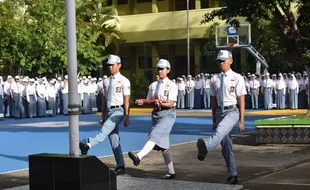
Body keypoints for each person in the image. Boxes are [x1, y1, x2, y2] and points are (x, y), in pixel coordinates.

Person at [196, 50, 246, 185]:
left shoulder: (237, 77)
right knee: (226, 146)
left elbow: (241, 99)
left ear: (231, 61)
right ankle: (233, 175)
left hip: (232, 111)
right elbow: (213, 100)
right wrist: (213, 119)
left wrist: (241, 120)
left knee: (220, 132)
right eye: (219, 61)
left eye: (223, 61)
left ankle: (206, 147)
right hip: (219, 112)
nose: (221, 63)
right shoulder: (214, 79)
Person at [79, 55, 130, 175]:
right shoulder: (105, 82)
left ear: (119, 65)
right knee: (114, 140)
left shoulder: (124, 80)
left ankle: (88, 144)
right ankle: (121, 165)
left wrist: (127, 116)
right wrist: (102, 115)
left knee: (104, 130)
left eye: (113, 64)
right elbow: (105, 100)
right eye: (109, 65)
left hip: (118, 111)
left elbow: (126, 99)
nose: (110, 67)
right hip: (109, 111)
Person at [128, 59, 177, 180]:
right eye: (159, 69)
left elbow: (171, 104)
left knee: (154, 135)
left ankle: (138, 157)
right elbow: (149, 101)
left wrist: (160, 103)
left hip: (168, 114)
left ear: (168, 70)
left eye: (162, 69)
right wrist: (143, 101)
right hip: (156, 115)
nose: (160, 71)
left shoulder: (172, 85)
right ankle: (171, 172)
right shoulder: (153, 85)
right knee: (164, 146)